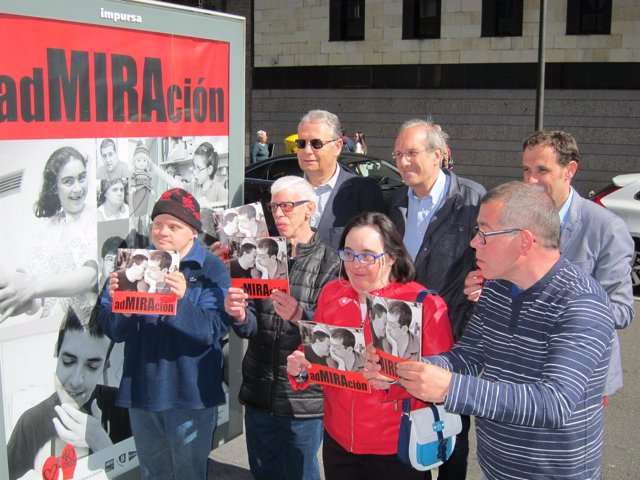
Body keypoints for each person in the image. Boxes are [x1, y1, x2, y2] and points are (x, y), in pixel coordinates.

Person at [366, 181, 615, 479]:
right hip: (496, 468)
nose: (473, 243)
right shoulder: (496, 287)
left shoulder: (580, 302)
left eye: (484, 232)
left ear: (524, 241)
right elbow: (468, 356)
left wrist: (450, 387)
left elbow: (555, 402)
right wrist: (405, 371)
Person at [464, 130, 634, 402]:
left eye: (542, 170)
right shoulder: (517, 219)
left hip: (579, 376)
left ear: (570, 170)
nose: (531, 180)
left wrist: (557, 307)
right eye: (526, 169)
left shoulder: (606, 227)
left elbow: (622, 310)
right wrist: (487, 287)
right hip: (516, 367)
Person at [287, 212, 453, 480]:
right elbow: (315, 352)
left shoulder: (425, 305)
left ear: (391, 257)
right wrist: (300, 366)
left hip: (395, 446)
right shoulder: (333, 293)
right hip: (339, 441)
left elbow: (446, 381)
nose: (355, 264)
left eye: (367, 255)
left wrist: (397, 381)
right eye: (348, 254)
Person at [99, 188, 232, 480]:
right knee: (153, 473)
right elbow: (109, 325)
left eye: (175, 226)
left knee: (188, 474)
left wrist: (180, 301)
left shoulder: (211, 268)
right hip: (142, 390)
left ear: (193, 233)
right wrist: (123, 309)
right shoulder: (133, 262)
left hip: (190, 396)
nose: (163, 232)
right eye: (158, 224)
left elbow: (214, 328)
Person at [224, 176, 340, 480]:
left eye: (287, 206)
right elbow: (249, 329)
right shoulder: (257, 253)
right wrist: (238, 315)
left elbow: (337, 335)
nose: (278, 214)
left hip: (303, 399)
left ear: (309, 209)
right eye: (274, 206)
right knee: (263, 473)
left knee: (301, 473)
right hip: (259, 391)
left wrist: (300, 315)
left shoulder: (332, 262)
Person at [387, 118, 485, 478]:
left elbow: (489, 263)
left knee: (450, 436)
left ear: (438, 155)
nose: (402, 162)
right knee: (408, 432)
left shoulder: (472, 201)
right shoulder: (395, 201)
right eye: (397, 154)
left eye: (411, 153)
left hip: (451, 340)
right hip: (400, 336)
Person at [7, 306, 131, 480]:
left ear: (105, 365)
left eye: (92, 366)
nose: (76, 380)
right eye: (68, 362)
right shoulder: (29, 425)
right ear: (56, 351)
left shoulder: (125, 410)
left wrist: (102, 445)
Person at [0, 146, 98, 323]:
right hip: (62, 335)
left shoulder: (100, 218)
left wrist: (32, 285)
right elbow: (40, 302)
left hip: (99, 331)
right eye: (68, 181)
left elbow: (91, 276)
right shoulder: (46, 232)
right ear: (55, 187)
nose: (78, 188)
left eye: (81, 178)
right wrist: (27, 302)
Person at [295, 110, 384, 248]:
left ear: (337, 147)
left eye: (316, 143)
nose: (307, 150)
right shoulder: (284, 192)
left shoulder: (365, 193)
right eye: (301, 143)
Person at [191, 141, 227, 208]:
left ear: (209, 169)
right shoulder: (194, 186)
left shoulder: (220, 191)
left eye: (198, 168)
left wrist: (209, 207)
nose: (194, 172)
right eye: (194, 167)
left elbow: (224, 217)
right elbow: (176, 184)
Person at [129, 142, 153, 217]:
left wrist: (152, 189)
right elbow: (132, 180)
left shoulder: (147, 174)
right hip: (137, 191)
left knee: (145, 207)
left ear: (147, 163)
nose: (141, 163)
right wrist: (132, 187)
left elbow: (150, 182)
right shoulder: (135, 174)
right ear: (134, 162)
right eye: (139, 160)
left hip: (146, 192)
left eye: (144, 161)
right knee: (137, 205)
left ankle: (143, 216)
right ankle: (138, 216)